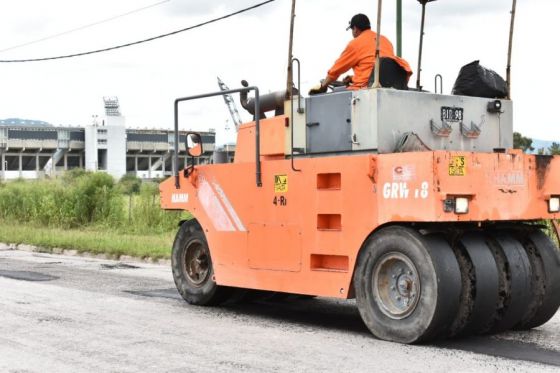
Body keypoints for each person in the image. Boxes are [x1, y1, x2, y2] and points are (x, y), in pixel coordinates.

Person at [309, 13, 412, 95]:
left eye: (352, 30)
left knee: (333, 97)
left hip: (365, 90)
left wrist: (323, 86)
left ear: (355, 29)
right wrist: (353, 78)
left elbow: (336, 71)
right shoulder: (385, 40)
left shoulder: (355, 44)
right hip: (388, 86)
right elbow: (379, 69)